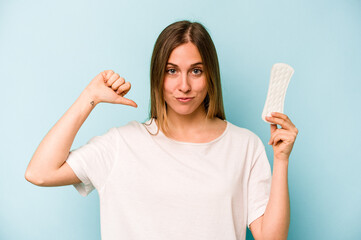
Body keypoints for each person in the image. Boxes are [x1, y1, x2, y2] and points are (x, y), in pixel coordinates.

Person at [25, 20, 298, 240]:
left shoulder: (244, 145)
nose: (183, 86)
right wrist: (89, 97)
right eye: (171, 71)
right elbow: (39, 173)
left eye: (196, 71)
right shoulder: (122, 144)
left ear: (210, 75)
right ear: (158, 75)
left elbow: (271, 238)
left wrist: (281, 159)